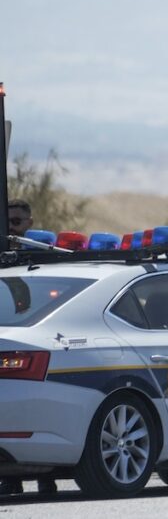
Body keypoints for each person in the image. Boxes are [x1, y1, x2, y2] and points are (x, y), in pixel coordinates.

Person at [0, 199, 56, 497]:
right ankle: (12, 479)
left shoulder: (44, 262)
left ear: (30, 223)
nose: (12, 227)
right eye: (8, 221)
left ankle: (47, 478)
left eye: (17, 222)